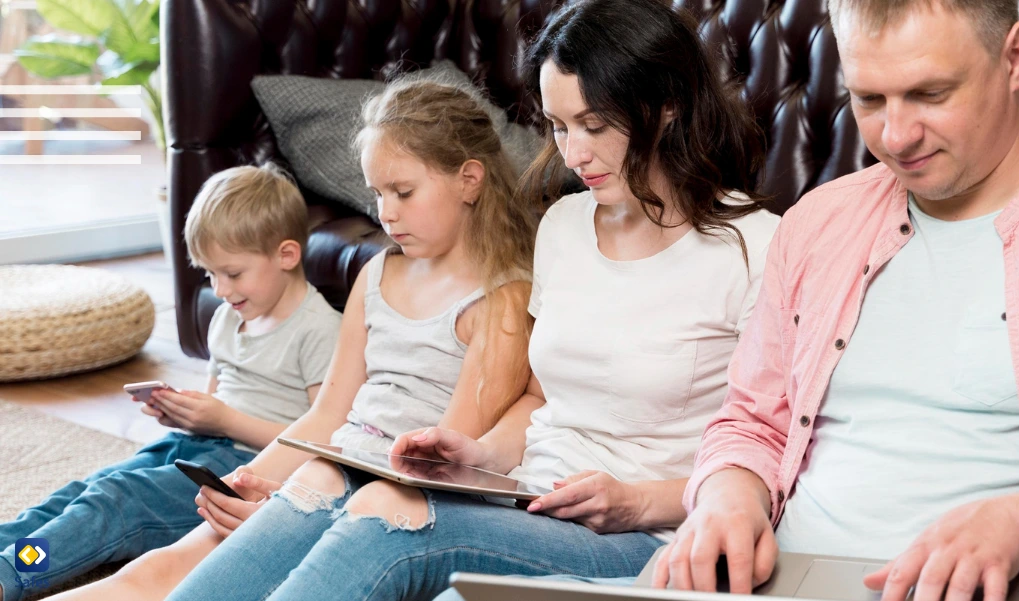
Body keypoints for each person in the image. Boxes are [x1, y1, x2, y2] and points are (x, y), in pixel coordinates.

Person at [161, 1, 780, 600]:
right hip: (523, 495)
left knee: (386, 516)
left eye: (594, 125)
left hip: (641, 532)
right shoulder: (564, 225)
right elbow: (541, 398)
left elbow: (777, 452)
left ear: (667, 108)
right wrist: (478, 455)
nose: (574, 154)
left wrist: (638, 500)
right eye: (559, 126)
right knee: (320, 481)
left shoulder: (759, 248)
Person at [654, 1, 1019, 600]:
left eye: (931, 94)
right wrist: (725, 497)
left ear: (1015, 57)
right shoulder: (815, 223)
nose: (896, 136)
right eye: (868, 99)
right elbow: (753, 421)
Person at [43, 80, 537, 601]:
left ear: (470, 180)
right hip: (324, 471)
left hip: (385, 500)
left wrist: (285, 496)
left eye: (403, 192)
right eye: (376, 193)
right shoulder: (376, 273)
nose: (385, 212)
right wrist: (249, 482)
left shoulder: (502, 300)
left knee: (143, 525)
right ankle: (20, 569)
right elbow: (327, 416)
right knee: (152, 571)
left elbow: (444, 465)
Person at [0, 164, 342, 601]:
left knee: (115, 503)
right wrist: (182, 409)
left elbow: (319, 442)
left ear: (287, 255)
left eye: (232, 274)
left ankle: (14, 573)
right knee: (86, 488)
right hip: (193, 448)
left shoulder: (321, 331)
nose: (219, 289)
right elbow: (215, 400)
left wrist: (225, 420)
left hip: (244, 471)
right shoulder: (228, 316)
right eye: (208, 274)